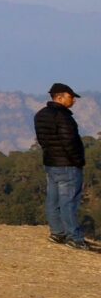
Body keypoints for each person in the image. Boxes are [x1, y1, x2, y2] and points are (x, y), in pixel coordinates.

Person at [35, 82, 86, 247]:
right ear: (60, 96)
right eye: (71, 97)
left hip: (51, 163)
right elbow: (69, 141)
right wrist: (78, 161)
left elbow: (43, 140)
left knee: (53, 199)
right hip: (68, 165)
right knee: (69, 201)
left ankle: (57, 232)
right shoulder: (63, 117)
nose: (74, 101)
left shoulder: (40, 115)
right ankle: (74, 237)